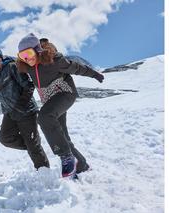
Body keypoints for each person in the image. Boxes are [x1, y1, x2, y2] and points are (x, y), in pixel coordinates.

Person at [16, 33, 104, 178]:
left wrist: (94, 74)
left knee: (44, 117)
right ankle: (81, 164)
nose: (27, 59)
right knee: (62, 136)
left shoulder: (54, 60)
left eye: (29, 53)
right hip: (51, 101)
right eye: (22, 56)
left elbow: (76, 68)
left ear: (37, 50)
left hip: (65, 93)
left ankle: (66, 157)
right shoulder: (28, 67)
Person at [0, 45, 50, 170]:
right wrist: (6, 113)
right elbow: (3, 97)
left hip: (27, 111)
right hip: (10, 113)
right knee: (5, 138)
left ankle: (44, 172)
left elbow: (29, 86)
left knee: (33, 147)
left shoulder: (12, 66)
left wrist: (20, 106)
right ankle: (33, 145)